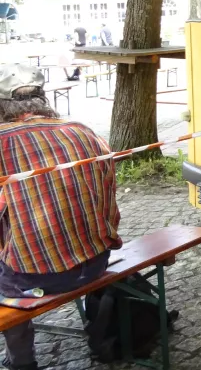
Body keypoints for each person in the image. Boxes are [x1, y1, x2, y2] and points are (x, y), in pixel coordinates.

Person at [0, 64, 121, 370]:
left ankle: (22, 363)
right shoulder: (83, 131)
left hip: (31, 278)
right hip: (94, 263)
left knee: (12, 262)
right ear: (44, 98)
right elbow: (110, 207)